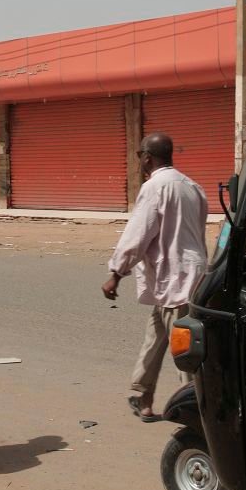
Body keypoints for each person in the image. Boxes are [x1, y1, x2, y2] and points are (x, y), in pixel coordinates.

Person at [103, 132, 208, 421]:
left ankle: (195, 411)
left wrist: (116, 273)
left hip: (175, 279)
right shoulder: (193, 187)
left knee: (184, 348)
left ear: (147, 158)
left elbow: (137, 234)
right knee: (155, 337)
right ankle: (143, 396)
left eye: (140, 156)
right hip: (188, 277)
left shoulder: (155, 187)